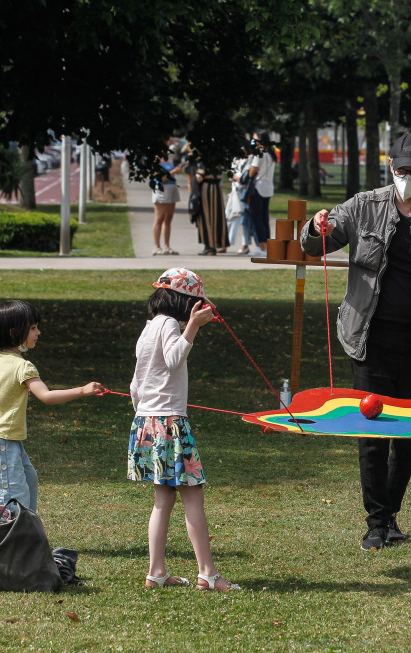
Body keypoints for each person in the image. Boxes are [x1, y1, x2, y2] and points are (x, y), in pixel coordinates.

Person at [300, 132, 411, 551]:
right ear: (389, 166)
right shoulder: (363, 206)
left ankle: (390, 513)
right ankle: (376, 523)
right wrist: (314, 227)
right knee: (371, 432)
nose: (406, 178)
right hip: (368, 338)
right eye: (400, 171)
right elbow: (315, 244)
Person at [128, 268, 240, 591]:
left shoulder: (148, 328)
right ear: (184, 301)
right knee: (193, 497)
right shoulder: (168, 325)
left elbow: (135, 384)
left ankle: (156, 572)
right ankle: (208, 574)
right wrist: (192, 326)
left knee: (163, 500)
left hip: (148, 423)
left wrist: (144, 416)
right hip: (170, 424)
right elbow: (175, 358)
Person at [0, 300, 105, 512]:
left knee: (28, 479)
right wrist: (83, 390)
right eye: (33, 328)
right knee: (9, 496)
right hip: (1, 439)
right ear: (14, 331)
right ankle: (11, 540)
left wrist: (11, 389)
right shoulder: (22, 366)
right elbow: (46, 396)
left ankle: (28, 534)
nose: (39, 332)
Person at [236, 130, 276, 258]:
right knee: (264, 218)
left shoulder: (259, 154)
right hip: (268, 188)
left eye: (255, 140)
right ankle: (267, 247)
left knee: (256, 219)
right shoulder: (270, 154)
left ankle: (262, 247)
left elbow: (252, 172)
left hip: (258, 188)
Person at [187, 164, 228, 255]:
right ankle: (214, 244)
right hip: (216, 189)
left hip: (207, 191)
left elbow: (199, 177)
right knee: (216, 217)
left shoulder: (205, 160)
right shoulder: (218, 159)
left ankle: (209, 246)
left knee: (207, 218)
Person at [150, 151, 186, 256]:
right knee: (159, 218)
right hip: (162, 190)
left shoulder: (168, 160)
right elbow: (161, 178)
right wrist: (174, 171)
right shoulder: (156, 161)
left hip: (172, 189)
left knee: (168, 219)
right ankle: (156, 246)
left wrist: (178, 170)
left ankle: (167, 246)